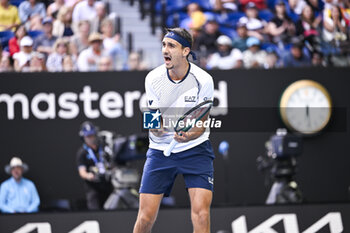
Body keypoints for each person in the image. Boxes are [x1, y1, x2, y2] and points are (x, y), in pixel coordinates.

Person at [133, 27, 215, 233]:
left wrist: (188, 135)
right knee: (145, 218)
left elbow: (201, 124)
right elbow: (152, 119)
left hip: (195, 149)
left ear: (186, 51)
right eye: (163, 45)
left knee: (202, 214)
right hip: (160, 152)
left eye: (171, 45)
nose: (165, 50)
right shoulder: (152, 78)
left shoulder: (203, 80)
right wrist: (157, 130)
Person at [76, 121, 112, 210]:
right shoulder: (82, 153)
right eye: (88, 136)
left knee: (111, 207)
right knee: (94, 209)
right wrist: (89, 176)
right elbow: (82, 172)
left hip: (107, 184)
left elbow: (112, 163)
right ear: (83, 137)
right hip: (93, 187)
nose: (90, 138)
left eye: (92, 135)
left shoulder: (104, 147)